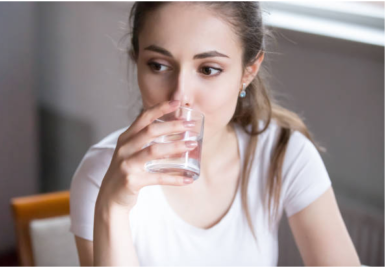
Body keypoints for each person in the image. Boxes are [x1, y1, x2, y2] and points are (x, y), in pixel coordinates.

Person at [69, 2, 361, 266]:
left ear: (248, 72)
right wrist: (113, 206)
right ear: (137, 61)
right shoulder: (103, 173)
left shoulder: (283, 152)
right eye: (158, 65)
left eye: (208, 69)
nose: (181, 95)